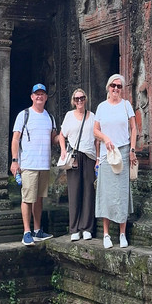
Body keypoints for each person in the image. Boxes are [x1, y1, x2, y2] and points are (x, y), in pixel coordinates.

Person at [93, 73, 138, 249]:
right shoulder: (102, 107)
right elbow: (95, 131)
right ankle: (105, 234)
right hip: (107, 154)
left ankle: (122, 233)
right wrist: (105, 138)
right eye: (113, 86)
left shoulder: (126, 106)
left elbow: (134, 128)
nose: (116, 89)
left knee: (121, 193)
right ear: (108, 88)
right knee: (106, 193)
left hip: (124, 151)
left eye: (119, 86)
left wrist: (133, 150)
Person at [10, 83, 57, 246]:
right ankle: (26, 232)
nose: (39, 96)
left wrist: (66, 135)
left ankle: (37, 230)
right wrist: (15, 161)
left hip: (44, 164)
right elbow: (16, 139)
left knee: (39, 198)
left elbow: (54, 139)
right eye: (36, 94)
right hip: (28, 164)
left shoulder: (49, 117)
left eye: (42, 94)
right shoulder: (24, 115)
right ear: (32, 96)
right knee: (27, 198)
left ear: (46, 97)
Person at [58, 87, 97, 242]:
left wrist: (98, 158)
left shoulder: (92, 116)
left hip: (89, 155)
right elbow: (62, 135)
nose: (79, 101)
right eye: (76, 99)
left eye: (82, 98)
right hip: (74, 156)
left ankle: (87, 227)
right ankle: (74, 228)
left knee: (88, 191)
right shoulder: (69, 116)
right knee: (74, 191)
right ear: (73, 101)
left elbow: (96, 139)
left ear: (85, 99)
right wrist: (62, 150)